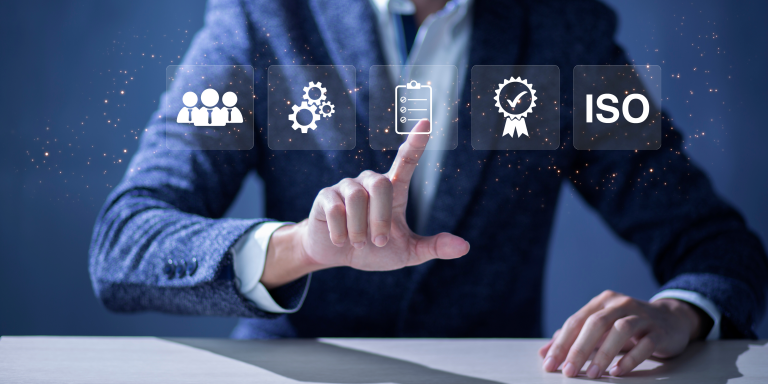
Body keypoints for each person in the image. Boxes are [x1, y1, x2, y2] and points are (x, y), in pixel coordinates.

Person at [88, 0, 768, 380]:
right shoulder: (261, 15)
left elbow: (717, 244)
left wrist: (685, 313)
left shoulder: (566, 30)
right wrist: (300, 247)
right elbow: (123, 246)